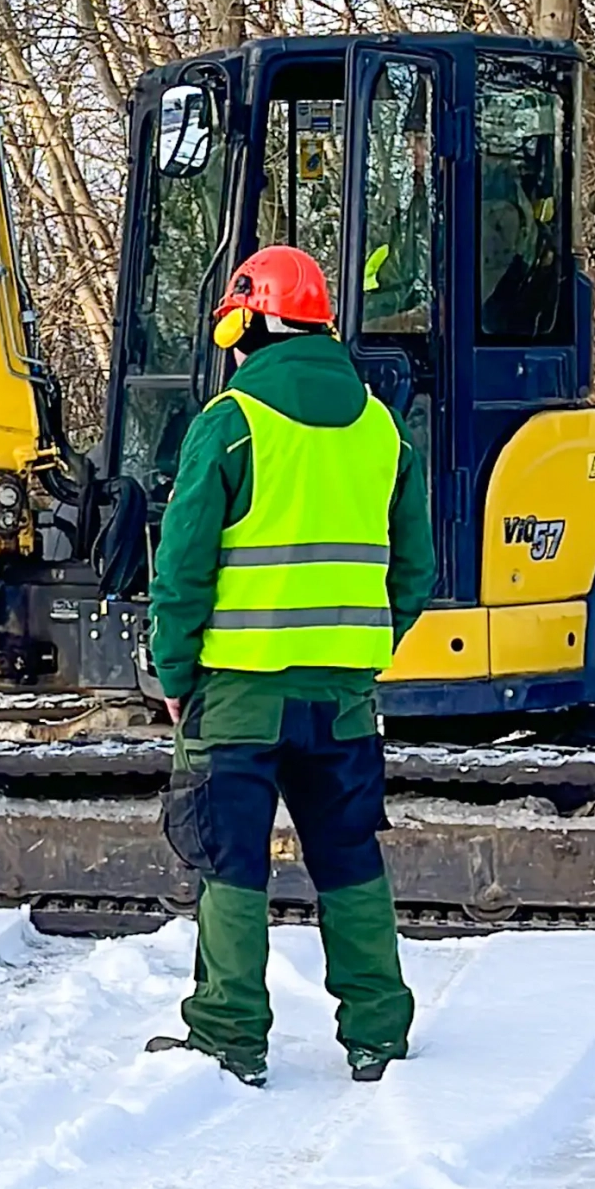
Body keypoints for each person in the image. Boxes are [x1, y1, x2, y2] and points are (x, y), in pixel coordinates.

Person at [144, 245, 435, 1088]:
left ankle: (230, 1037)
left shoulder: (230, 421)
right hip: (341, 698)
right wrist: (360, 646)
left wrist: (173, 671)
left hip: (236, 695)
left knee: (228, 861)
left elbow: (184, 566)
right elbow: (411, 572)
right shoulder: (382, 428)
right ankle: (377, 1030)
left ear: (249, 324)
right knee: (348, 856)